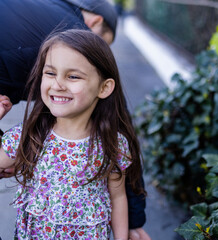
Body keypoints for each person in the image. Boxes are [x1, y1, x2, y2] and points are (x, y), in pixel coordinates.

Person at [0, 0, 150, 238]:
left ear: (104, 87)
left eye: (73, 76)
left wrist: (129, 227)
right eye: (49, 73)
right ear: (95, 23)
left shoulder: (112, 144)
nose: (58, 83)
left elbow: (118, 194)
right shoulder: (30, 134)